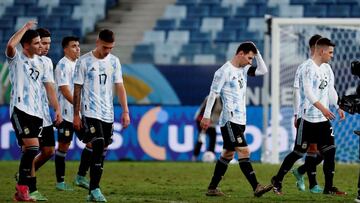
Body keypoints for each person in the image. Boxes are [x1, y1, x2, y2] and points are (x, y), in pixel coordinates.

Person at [271, 37, 346, 195]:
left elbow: (330, 89)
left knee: (330, 151)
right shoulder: (306, 68)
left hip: (322, 120)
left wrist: (338, 106)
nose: (332, 56)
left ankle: (328, 188)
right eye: (330, 52)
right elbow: (306, 92)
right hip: (307, 119)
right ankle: (277, 180)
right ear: (321, 51)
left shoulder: (327, 68)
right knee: (298, 152)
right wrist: (297, 114)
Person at [200, 41, 272, 197]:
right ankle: (256, 187)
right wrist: (206, 117)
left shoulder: (244, 69)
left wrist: (257, 52)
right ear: (240, 54)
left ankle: (212, 188)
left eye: (252, 58)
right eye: (249, 58)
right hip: (229, 120)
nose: (250, 61)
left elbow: (263, 70)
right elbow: (213, 94)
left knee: (227, 154)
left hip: (240, 120)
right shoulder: (223, 71)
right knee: (244, 151)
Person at [6, 21, 61, 201]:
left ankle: (21, 191)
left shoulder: (43, 62)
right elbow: (10, 45)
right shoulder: (16, 59)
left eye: (42, 42)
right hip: (20, 109)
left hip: (38, 112)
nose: (41, 46)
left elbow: (50, 88)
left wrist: (57, 109)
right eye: (37, 43)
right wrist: (25, 28)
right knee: (32, 148)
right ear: (27, 44)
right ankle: (24, 188)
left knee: (35, 150)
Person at [73, 29, 130, 202]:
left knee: (103, 149)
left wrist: (125, 111)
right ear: (97, 42)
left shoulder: (114, 61)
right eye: (105, 47)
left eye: (111, 48)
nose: (108, 51)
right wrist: (76, 114)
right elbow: (77, 89)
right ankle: (95, 189)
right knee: (97, 144)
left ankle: (91, 190)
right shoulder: (83, 61)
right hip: (90, 111)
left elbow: (120, 87)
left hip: (108, 113)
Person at [54, 36, 90, 191]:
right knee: (64, 146)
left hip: (80, 113)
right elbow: (65, 90)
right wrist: (80, 106)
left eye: (78, 45)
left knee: (92, 143)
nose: (78, 48)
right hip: (67, 113)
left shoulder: (79, 64)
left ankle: (80, 176)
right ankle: (60, 182)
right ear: (65, 49)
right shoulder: (63, 65)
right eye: (74, 46)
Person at [291, 34, 325, 193]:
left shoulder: (324, 67)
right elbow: (297, 92)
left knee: (324, 151)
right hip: (307, 114)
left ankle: (300, 171)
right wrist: (296, 114)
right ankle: (313, 185)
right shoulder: (305, 67)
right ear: (314, 48)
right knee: (310, 149)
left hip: (321, 115)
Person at [192, 95, 222, 161]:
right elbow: (204, 110)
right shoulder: (214, 99)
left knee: (213, 138)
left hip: (212, 123)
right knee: (201, 138)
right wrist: (204, 122)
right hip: (202, 120)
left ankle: (210, 156)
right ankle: (194, 157)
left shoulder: (227, 101)